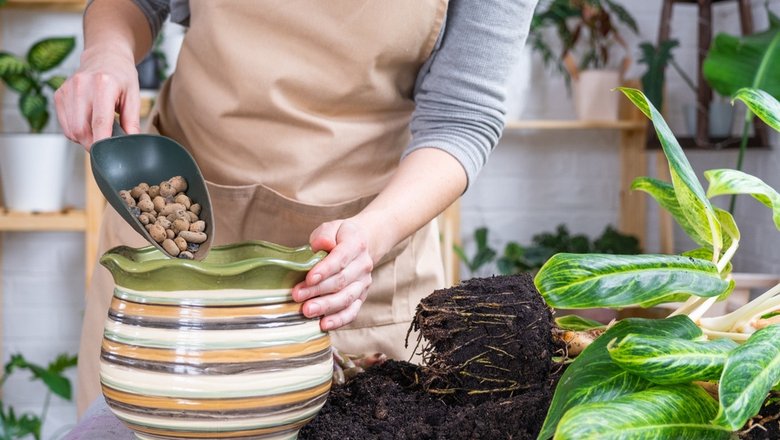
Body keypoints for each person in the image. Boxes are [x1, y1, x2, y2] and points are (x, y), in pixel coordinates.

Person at [56, 0, 537, 416]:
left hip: (357, 258)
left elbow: (463, 116)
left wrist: (375, 231)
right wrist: (107, 52)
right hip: (168, 239)